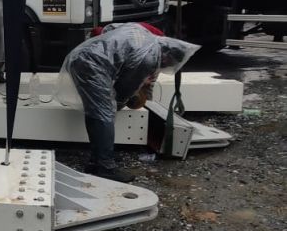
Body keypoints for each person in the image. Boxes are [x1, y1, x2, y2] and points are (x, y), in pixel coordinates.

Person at [54, 23, 200, 183]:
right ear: (167, 57)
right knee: (104, 114)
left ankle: (96, 162)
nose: (164, 66)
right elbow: (124, 89)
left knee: (96, 113)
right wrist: (120, 104)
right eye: (167, 64)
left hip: (83, 56)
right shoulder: (149, 58)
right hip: (93, 64)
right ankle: (105, 167)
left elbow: (108, 30)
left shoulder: (144, 34)